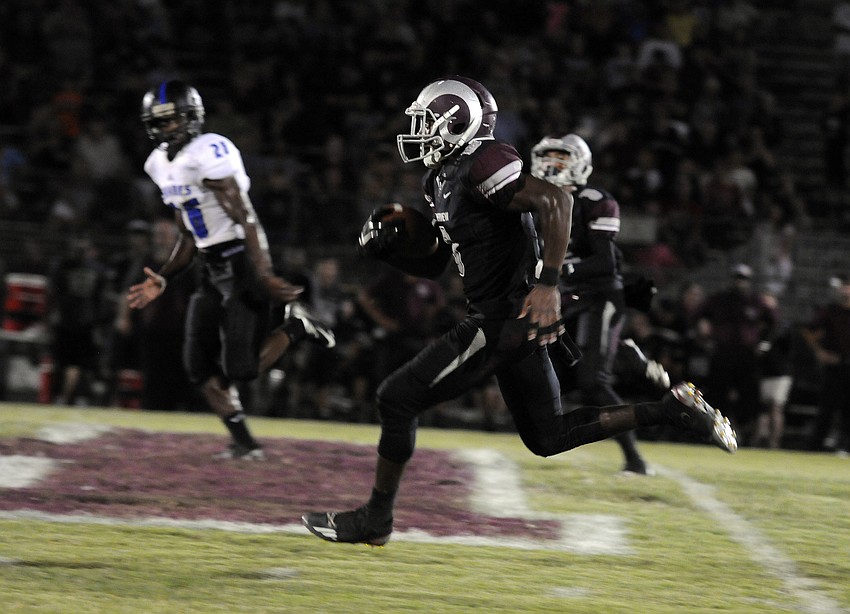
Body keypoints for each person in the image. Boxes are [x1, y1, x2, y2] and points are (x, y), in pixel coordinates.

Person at [302, 76, 736, 546]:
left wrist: (548, 284)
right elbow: (439, 262)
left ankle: (376, 519)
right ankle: (671, 410)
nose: (420, 131)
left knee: (396, 398)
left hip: (502, 319)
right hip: (513, 322)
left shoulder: (483, 160)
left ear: (459, 123)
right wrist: (394, 248)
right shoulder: (439, 179)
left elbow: (556, 199)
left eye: (428, 121)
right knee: (548, 437)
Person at [127, 80, 335, 459]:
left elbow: (245, 216)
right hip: (210, 266)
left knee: (240, 369)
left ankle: (296, 327)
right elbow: (188, 232)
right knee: (197, 367)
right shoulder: (158, 163)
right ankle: (244, 443)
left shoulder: (208, 151)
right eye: (158, 122)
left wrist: (264, 273)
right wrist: (164, 277)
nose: (165, 128)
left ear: (191, 117)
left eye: (172, 120)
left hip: (241, 262)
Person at [529, 133, 668, 475]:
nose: (552, 165)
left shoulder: (594, 200)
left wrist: (560, 269)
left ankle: (635, 459)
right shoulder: (537, 202)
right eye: (549, 158)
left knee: (594, 381)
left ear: (580, 164)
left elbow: (605, 262)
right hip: (566, 299)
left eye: (561, 159)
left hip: (600, 296)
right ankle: (624, 354)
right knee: (563, 377)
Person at [695, 264, 777, 444]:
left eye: (743, 279)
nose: (740, 282)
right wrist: (703, 330)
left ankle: (745, 434)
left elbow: (773, 321)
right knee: (717, 396)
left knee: (748, 398)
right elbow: (698, 315)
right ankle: (715, 432)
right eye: (737, 278)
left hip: (747, 357)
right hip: (722, 354)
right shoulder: (719, 300)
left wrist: (765, 342)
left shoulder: (755, 301)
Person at [800, 275, 850, 454]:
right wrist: (819, 352)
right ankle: (816, 446)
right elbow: (808, 331)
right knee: (827, 407)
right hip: (835, 365)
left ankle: (845, 445)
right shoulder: (830, 311)